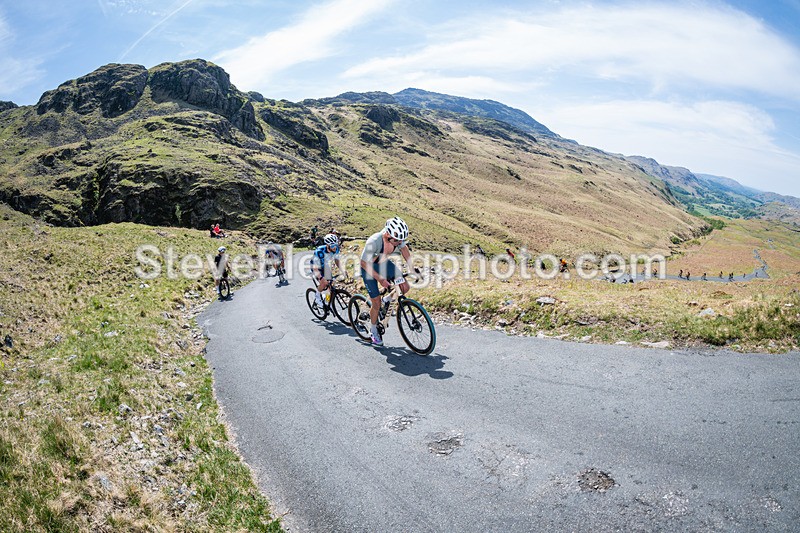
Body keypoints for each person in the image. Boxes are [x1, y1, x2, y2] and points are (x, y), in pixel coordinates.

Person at [360, 217, 415, 346]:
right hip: (368, 268)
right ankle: (373, 330)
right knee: (376, 303)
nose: (398, 243)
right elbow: (363, 263)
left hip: (382, 263)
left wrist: (412, 267)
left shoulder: (396, 238)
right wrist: (380, 279)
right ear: (387, 234)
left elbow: (404, 250)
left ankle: (387, 299)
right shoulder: (374, 241)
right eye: (396, 241)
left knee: (405, 287)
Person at [310, 234, 344, 308]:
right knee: (324, 282)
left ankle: (327, 301)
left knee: (330, 286)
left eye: (336, 245)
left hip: (325, 266)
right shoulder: (319, 251)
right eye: (332, 246)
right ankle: (317, 297)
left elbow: (336, 260)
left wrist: (342, 270)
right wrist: (321, 278)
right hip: (316, 267)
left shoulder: (336, 249)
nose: (334, 247)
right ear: (327, 245)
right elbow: (315, 268)